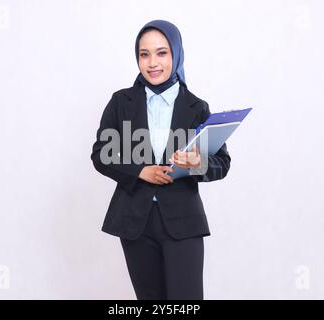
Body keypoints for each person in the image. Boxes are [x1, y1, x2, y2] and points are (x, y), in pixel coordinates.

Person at [90, 19, 231, 300]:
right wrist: (140, 171)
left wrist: (196, 163)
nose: (152, 62)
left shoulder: (196, 107)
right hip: (135, 222)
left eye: (162, 53)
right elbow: (102, 154)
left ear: (176, 54)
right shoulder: (121, 102)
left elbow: (222, 163)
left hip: (183, 221)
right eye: (144, 54)